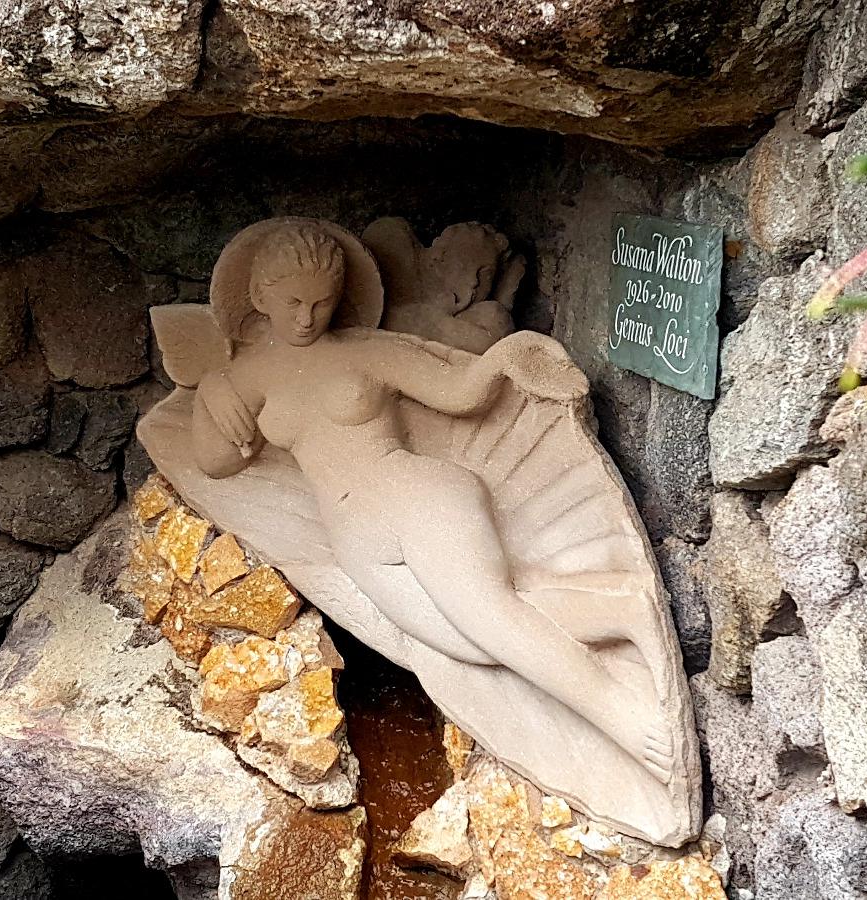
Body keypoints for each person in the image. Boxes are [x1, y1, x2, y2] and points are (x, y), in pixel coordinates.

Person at [189, 220, 672, 782]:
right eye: (293, 302)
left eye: (321, 303)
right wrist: (211, 394)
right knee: (469, 644)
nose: (306, 318)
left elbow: (458, 392)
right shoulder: (245, 379)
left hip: (413, 493)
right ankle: (622, 611)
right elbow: (216, 463)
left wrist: (505, 357)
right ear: (258, 296)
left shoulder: (365, 351)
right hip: (355, 537)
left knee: (489, 616)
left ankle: (618, 714)